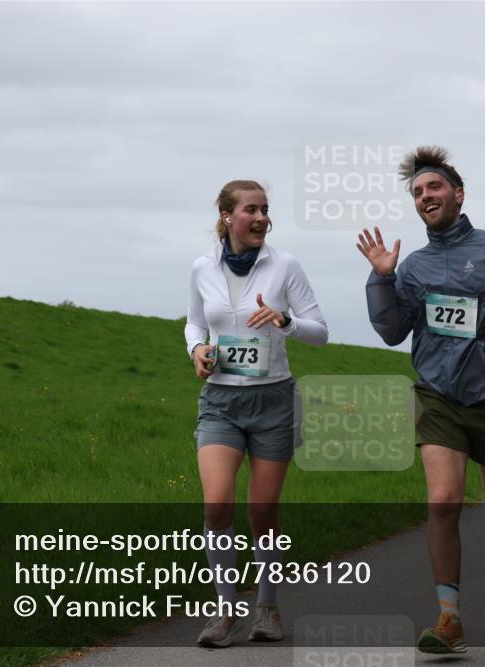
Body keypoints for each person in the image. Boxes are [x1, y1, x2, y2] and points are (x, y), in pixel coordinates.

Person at [357, 146, 485, 654]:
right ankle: (449, 618)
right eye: (418, 192)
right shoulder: (414, 266)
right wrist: (383, 276)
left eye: (435, 187)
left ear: (458, 193)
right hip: (438, 395)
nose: (426, 196)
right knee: (443, 501)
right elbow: (390, 330)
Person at [185, 180, 328, 647]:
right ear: (227, 216)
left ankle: (267, 606)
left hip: (273, 401)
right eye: (252, 209)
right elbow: (194, 321)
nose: (263, 217)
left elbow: (320, 332)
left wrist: (285, 321)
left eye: (267, 209)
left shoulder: (284, 265)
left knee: (262, 511)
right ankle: (226, 613)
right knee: (217, 504)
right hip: (221, 402)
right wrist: (198, 348)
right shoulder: (202, 267)